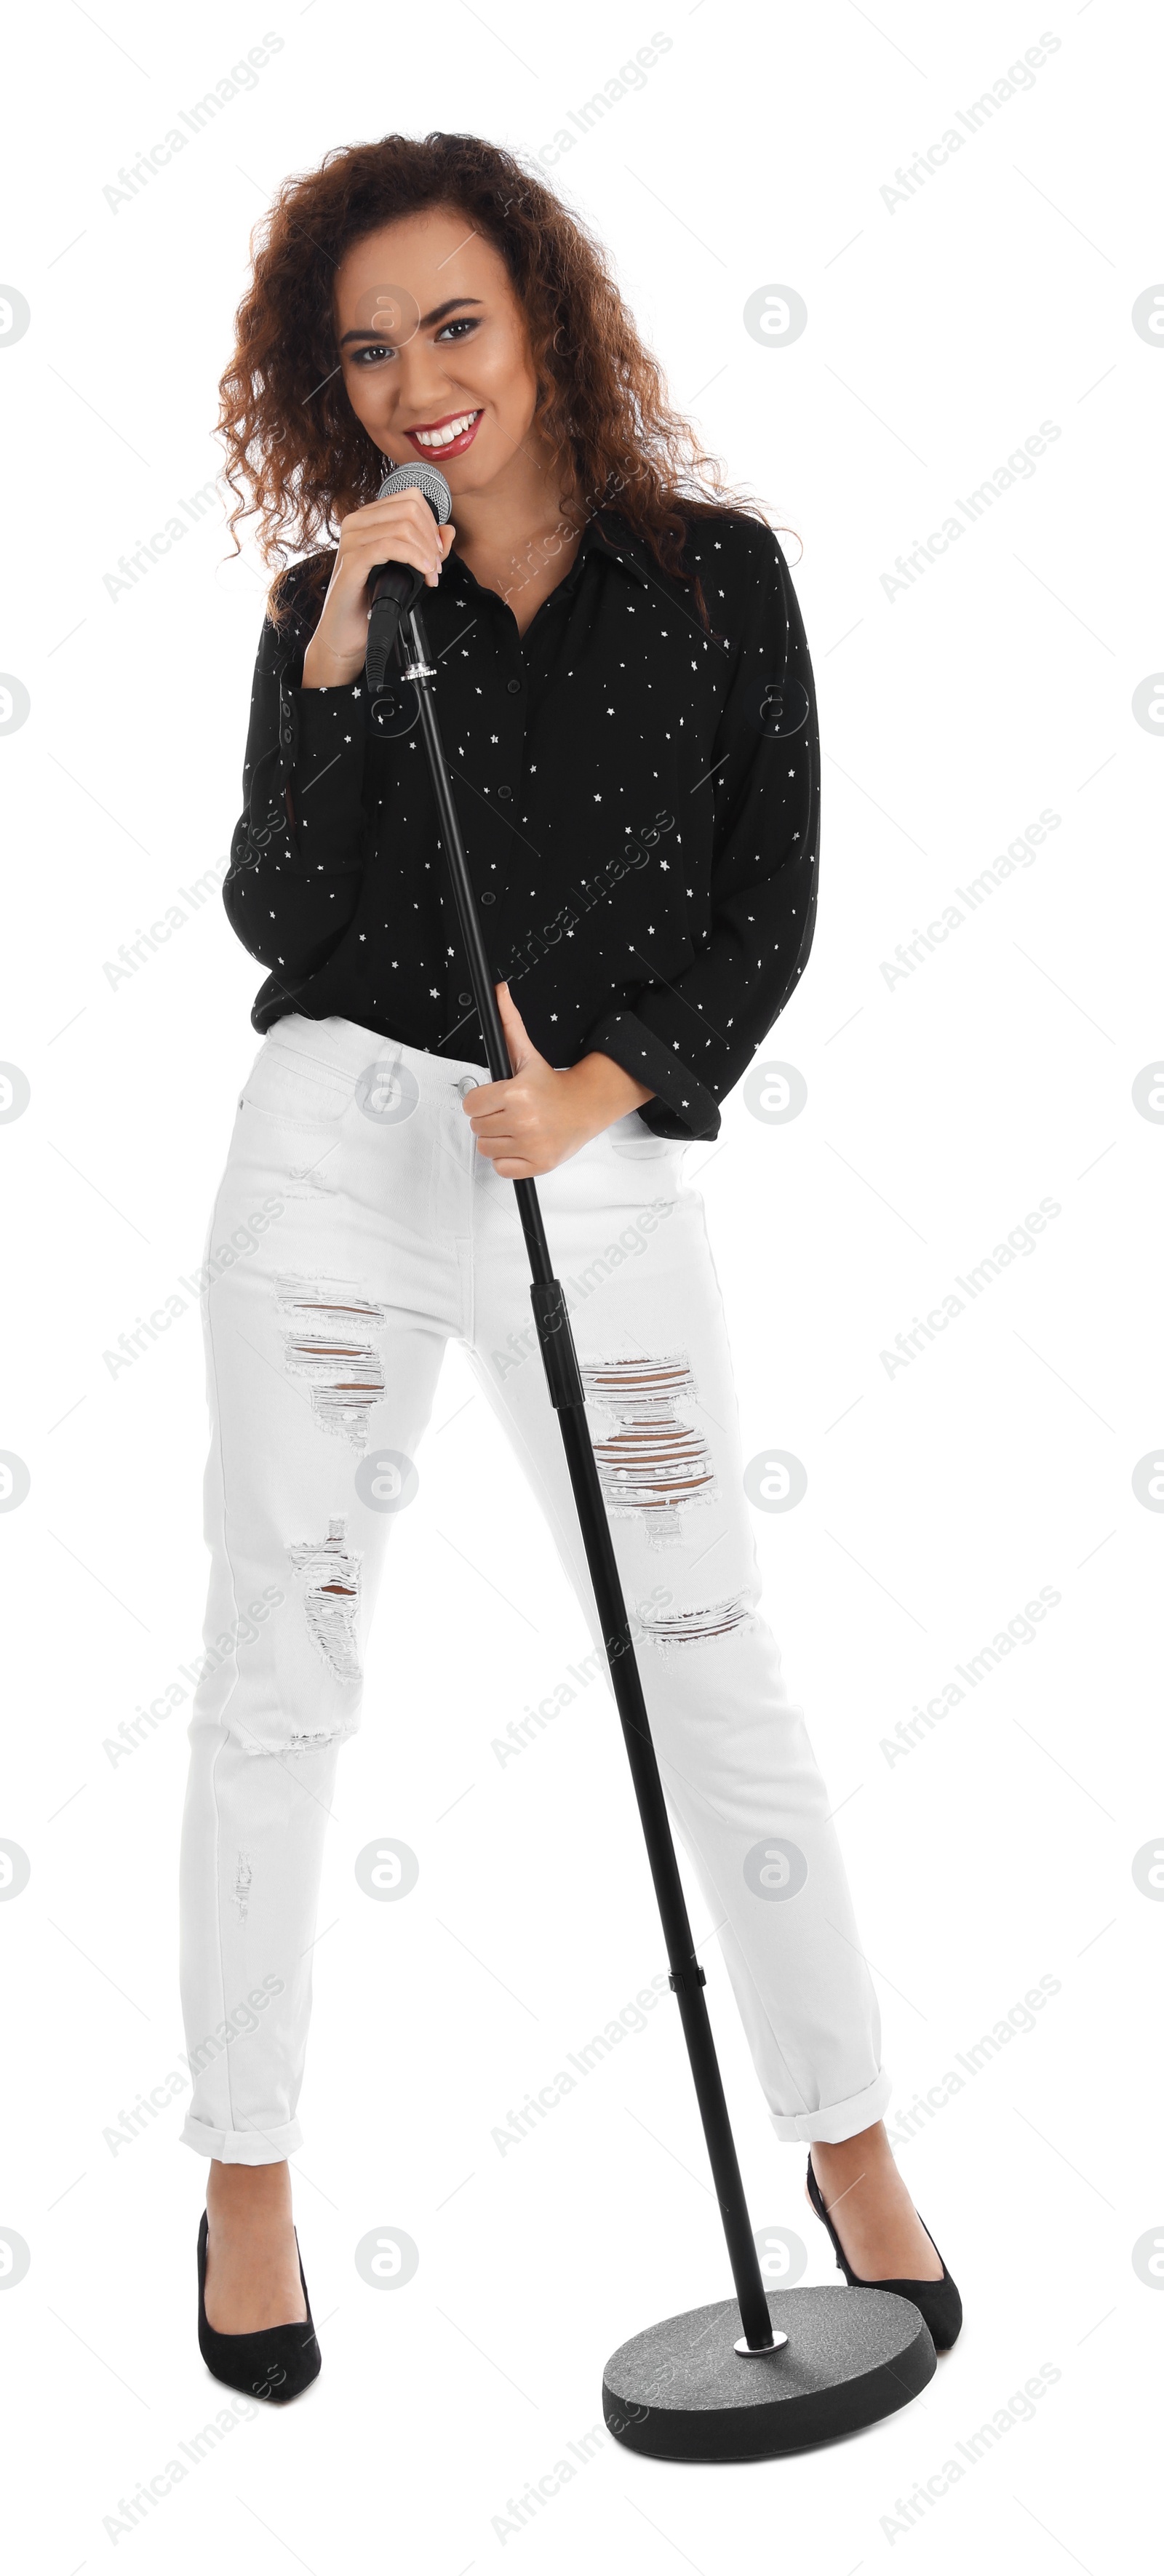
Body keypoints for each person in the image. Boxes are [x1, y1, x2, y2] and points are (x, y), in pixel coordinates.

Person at [181, 130, 961, 2403]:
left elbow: (770, 900)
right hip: (332, 1152)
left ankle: (853, 2140)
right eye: (368, 350)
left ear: (539, 320)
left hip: (586, 1165)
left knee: (713, 1654)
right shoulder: (329, 606)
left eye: (454, 324)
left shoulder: (716, 582)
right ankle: (245, 2185)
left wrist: (601, 1090)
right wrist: (339, 651)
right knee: (276, 1676)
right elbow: (281, 919)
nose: (420, 381)